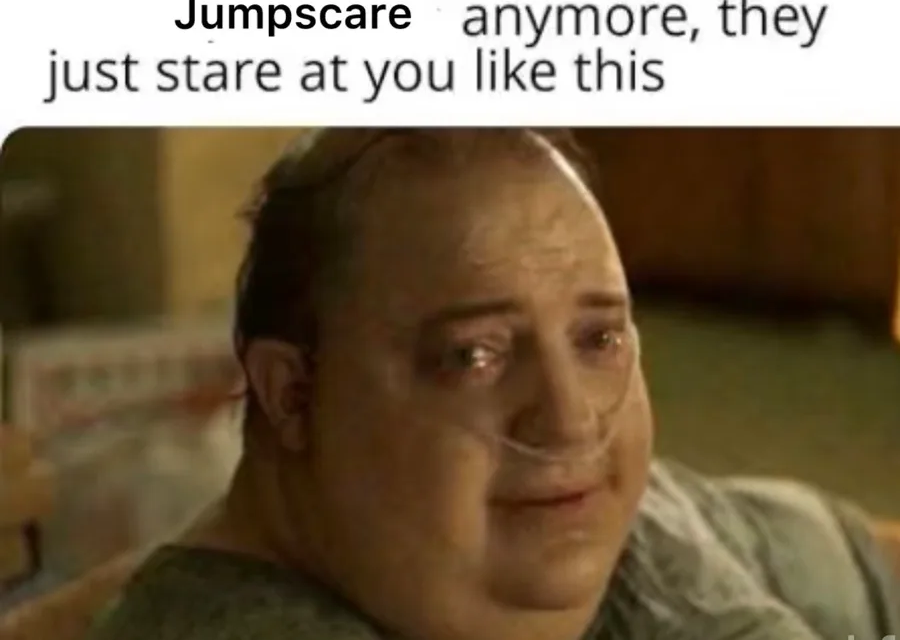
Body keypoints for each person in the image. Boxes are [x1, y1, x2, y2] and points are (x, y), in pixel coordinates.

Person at [90, 128, 899, 640]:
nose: (572, 418)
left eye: (599, 337)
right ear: (291, 391)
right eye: (473, 355)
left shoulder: (613, 544)